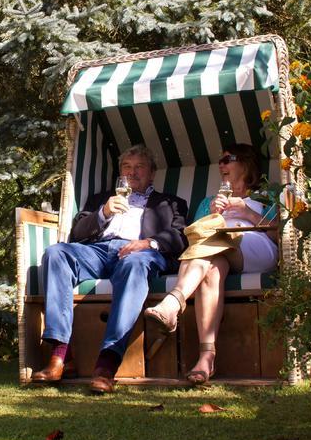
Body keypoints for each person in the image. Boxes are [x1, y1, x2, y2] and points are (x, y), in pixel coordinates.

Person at [32, 144, 188, 393]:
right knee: (56, 253)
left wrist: (147, 243)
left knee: (134, 263)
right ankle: (61, 355)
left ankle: (107, 364)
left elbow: (180, 236)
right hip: (98, 251)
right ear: (120, 173)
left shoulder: (170, 203)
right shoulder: (100, 199)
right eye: (127, 167)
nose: (132, 173)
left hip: (140, 253)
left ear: (152, 173)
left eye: (139, 167)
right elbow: (77, 233)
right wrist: (103, 212)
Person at [143, 143, 278, 384]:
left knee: (217, 238)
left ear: (246, 164)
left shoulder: (265, 196)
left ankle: (174, 301)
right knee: (211, 270)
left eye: (228, 159)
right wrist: (211, 215)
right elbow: (194, 239)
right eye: (221, 161)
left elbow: (279, 235)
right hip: (221, 253)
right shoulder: (208, 201)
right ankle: (207, 357)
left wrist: (246, 212)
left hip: (257, 248)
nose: (222, 165)